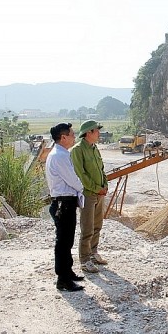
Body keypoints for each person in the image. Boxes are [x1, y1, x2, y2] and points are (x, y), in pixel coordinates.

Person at [45, 123, 85, 292]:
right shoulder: (59, 156)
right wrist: (82, 187)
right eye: (72, 135)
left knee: (67, 240)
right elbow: (72, 179)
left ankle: (67, 272)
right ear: (63, 137)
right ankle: (63, 279)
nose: (74, 138)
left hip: (65, 201)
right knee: (63, 241)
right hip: (64, 202)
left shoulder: (60, 153)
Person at [71, 120, 109, 273]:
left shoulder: (94, 148)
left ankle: (93, 253)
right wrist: (96, 188)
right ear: (88, 133)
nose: (99, 133)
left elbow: (101, 169)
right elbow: (81, 175)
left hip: (99, 193)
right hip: (88, 194)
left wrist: (104, 185)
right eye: (96, 131)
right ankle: (85, 260)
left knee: (97, 225)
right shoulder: (78, 150)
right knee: (87, 227)